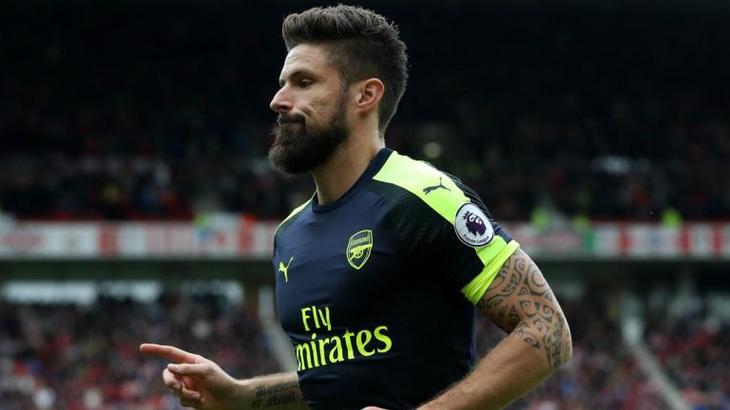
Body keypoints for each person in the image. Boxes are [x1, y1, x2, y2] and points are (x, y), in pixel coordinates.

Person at [140, 5, 572, 409]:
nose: (278, 100)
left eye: (303, 83)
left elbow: (548, 330)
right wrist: (242, 396)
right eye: (283, 83)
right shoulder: (289, 234)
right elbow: (336, 379)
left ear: (365, 95)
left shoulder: (422, 197)